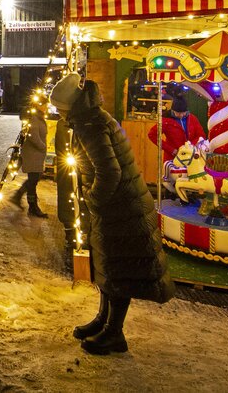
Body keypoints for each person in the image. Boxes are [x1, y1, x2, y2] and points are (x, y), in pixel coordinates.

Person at [51, 73, 175, 356]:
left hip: (120, 208)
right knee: (108, 266)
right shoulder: (91, 117)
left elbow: (110, 172)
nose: (58, 112)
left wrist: (93, 199)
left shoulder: (90, 125)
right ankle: (103, 319)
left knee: (119, 269)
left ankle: (114, 332)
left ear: (70, 106)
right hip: (117, 206)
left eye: (59, 107)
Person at [9, 96, 49, 218]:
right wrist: (43, 147)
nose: (46, 107)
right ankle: (32, 206)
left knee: (35, 179)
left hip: (35, 154)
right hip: (33, 154)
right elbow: (33, 137)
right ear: (38, 105)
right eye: (45, 105)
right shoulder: (34, 118)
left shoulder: (38, 116)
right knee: (33, 181)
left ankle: (18, 196)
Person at [147, 90, 206, 162]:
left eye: (183, 113)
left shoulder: (192, 118)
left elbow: (201, 135)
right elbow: (152, 135)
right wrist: (171, 149)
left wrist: (191, 146)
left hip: (191, 158)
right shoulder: (166, 121)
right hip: (173, 158)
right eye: (177, 113)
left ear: (186, 111)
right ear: (173, 110)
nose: (181, 115)